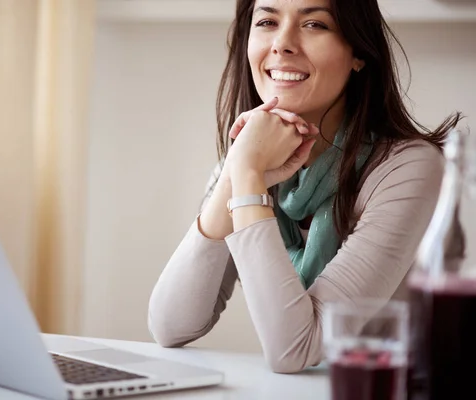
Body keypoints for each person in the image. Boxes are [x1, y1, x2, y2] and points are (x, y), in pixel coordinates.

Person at [147, 0, 462, 373]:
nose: (282, 43)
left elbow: (295, 350)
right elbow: (171, 326)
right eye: (266, 21)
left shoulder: (409, 168)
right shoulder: (246, 164)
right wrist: (239, 173)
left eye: (314, 24)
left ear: (359, 52)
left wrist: (246, 177)